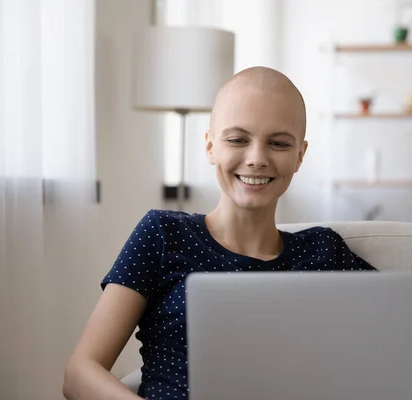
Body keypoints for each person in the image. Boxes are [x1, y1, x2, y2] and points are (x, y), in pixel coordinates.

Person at [62, 66, 377, 400]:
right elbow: (80, 373)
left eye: (279, 143)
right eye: (238, 140)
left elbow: (404, 337)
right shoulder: (164, 234)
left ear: (300, 155)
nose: (256, 159)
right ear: (211, 146)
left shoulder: (324, 252)